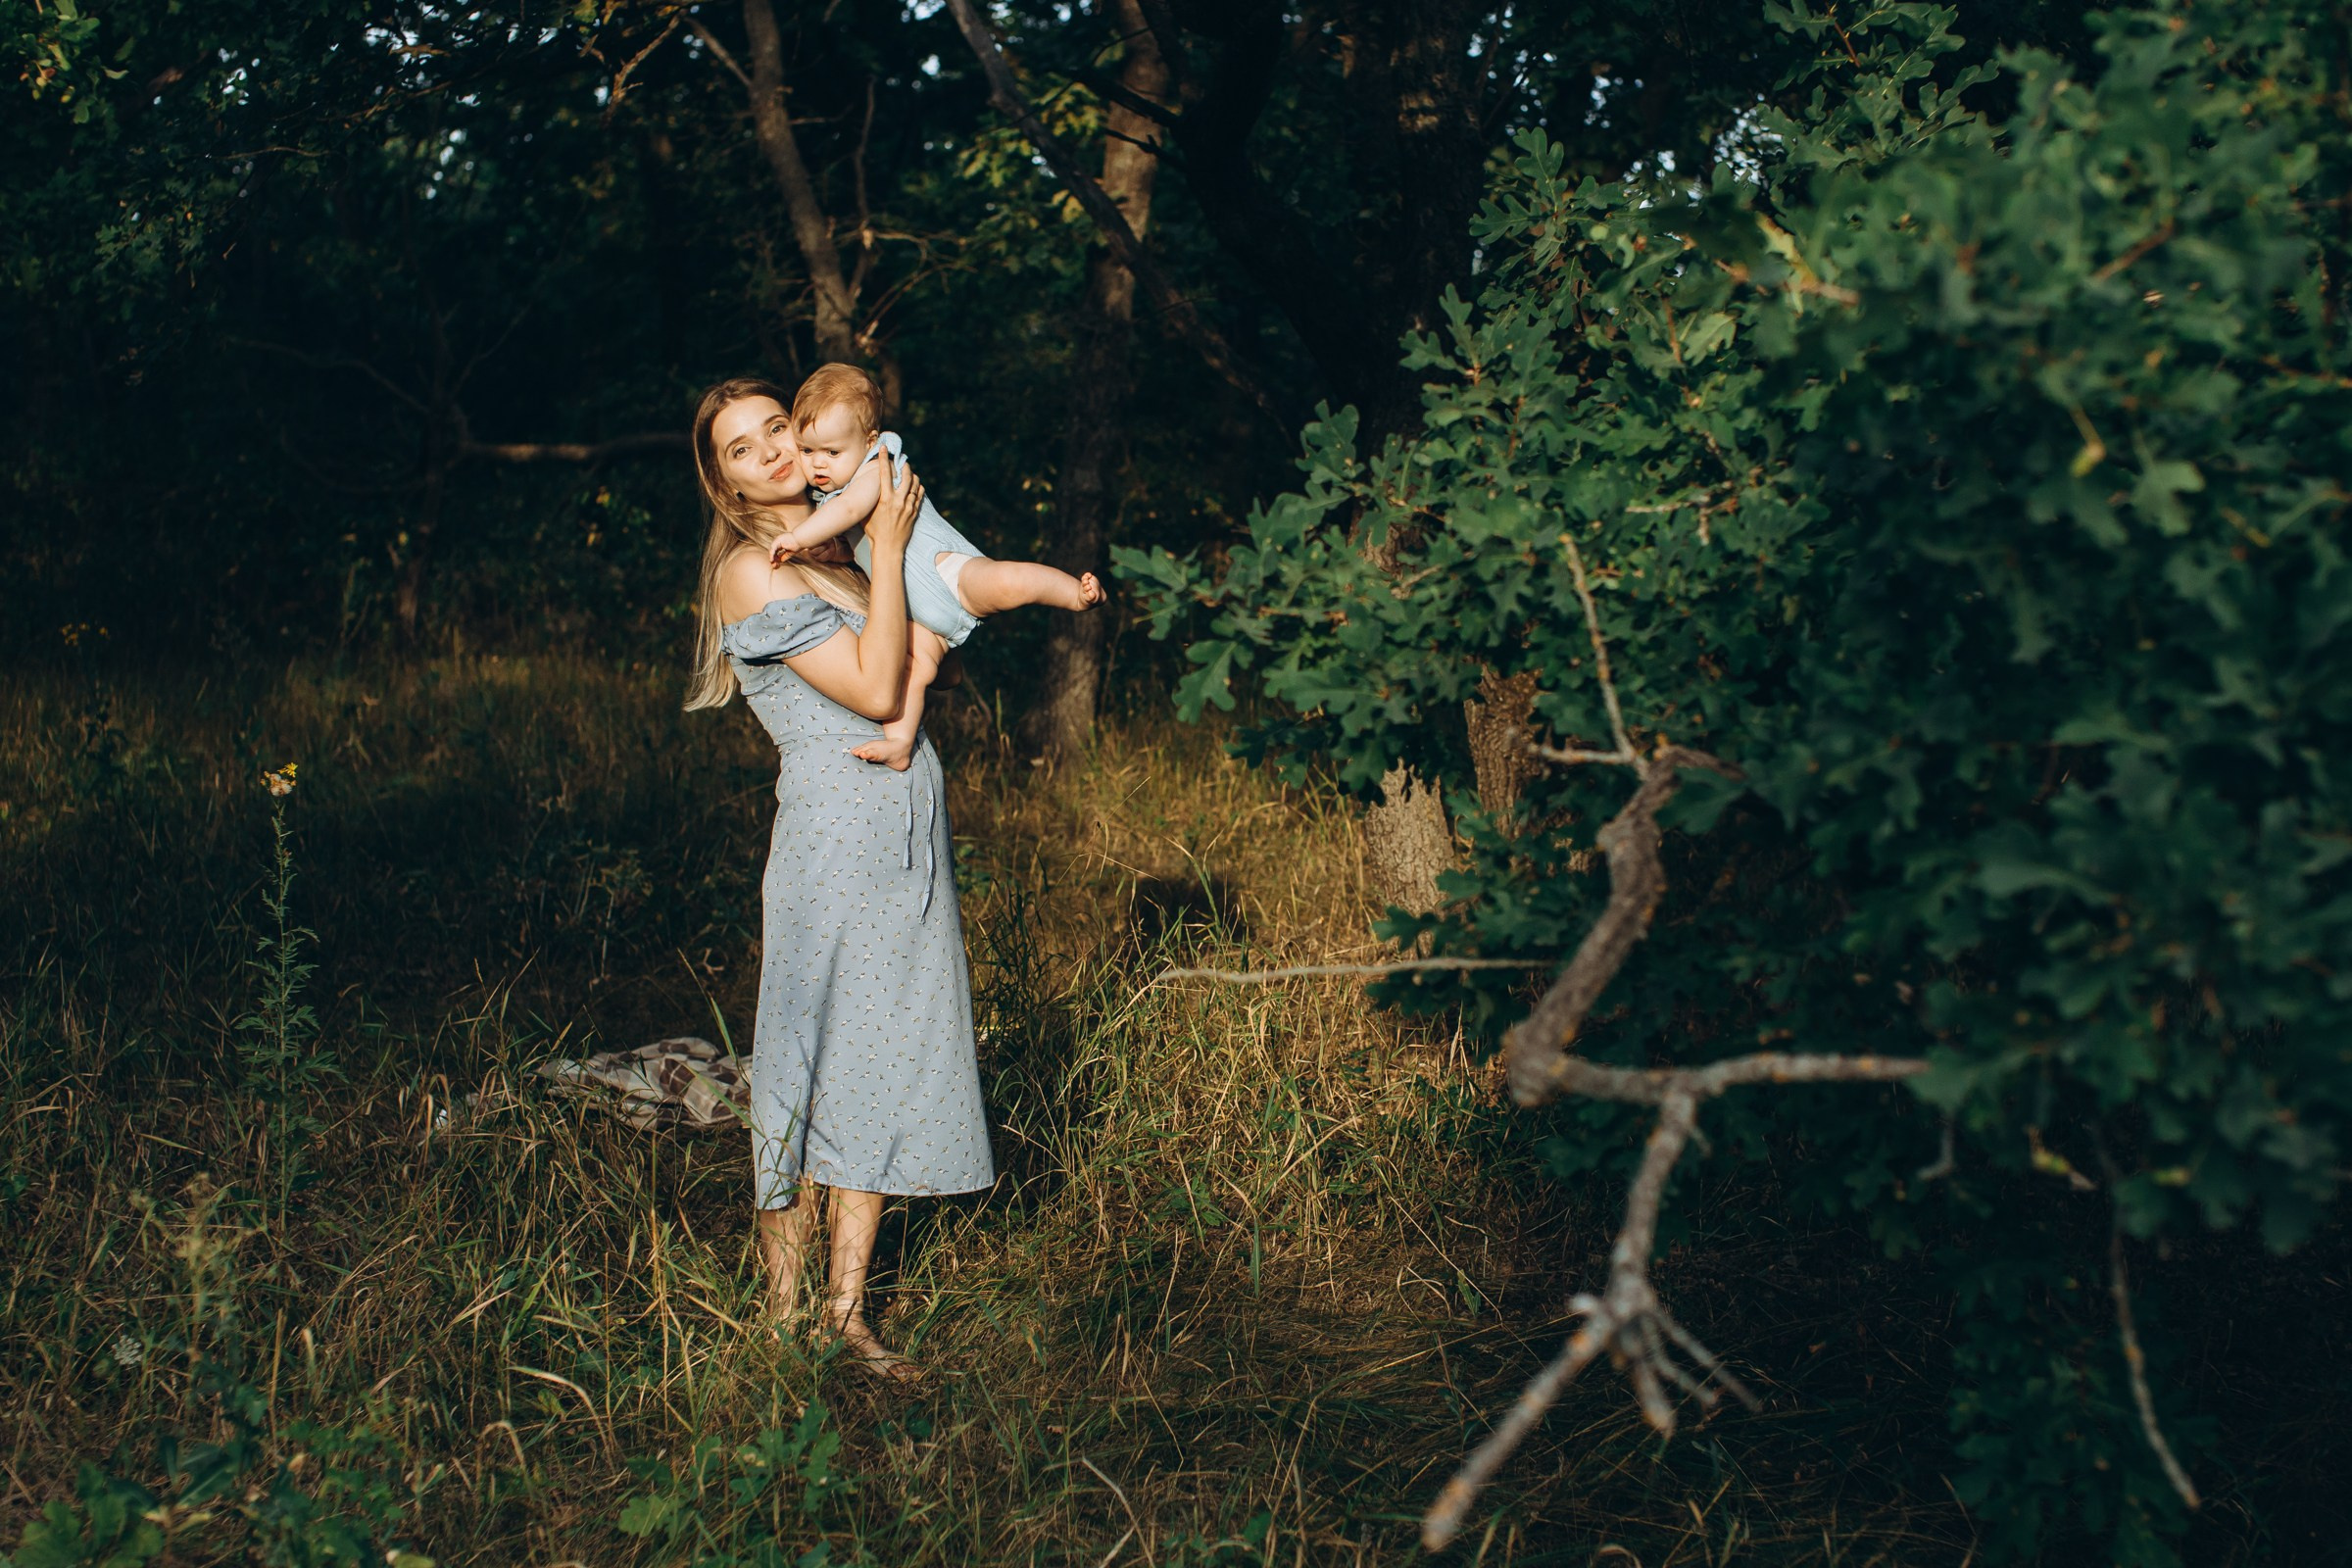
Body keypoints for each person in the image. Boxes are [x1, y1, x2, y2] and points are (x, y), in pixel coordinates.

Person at [684, 375, 995, 1376]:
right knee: (806, 1058)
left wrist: (899, 563)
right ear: (723, 480)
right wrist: (895, 552)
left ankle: (846, 1315)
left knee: (880, 1058)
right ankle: (783, 1312)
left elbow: (919, 656)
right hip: (832, 843)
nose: (771, 450)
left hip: (901, 832)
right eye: (743, 446)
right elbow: (869, 686)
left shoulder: (836, 547)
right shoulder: (749, 572)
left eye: (777, 427)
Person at [768, 362, 1105, 771]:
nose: (818, 464)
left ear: (868, 440)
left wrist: (800, 537)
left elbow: (854, 508)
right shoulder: (831, 497)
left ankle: (1074, 594)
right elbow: (861, 547)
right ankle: (900, 742)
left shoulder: (877, 466)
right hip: (919, 620)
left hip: (948, 572)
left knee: (1009, 579)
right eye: (807, 451)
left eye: (832, 452)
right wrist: (837, 553)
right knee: (913, 671)